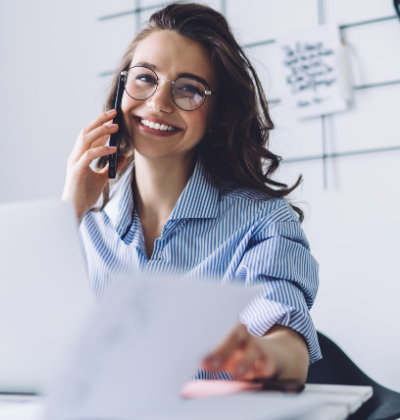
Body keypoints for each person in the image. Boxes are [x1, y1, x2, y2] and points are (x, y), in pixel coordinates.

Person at [62, 3, 319, 382]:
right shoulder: (83, 228)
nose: (159, 103)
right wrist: (69, 212)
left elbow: (289, 343)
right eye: (145, 78)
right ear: (121, 87)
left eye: (188, 89)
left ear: (217, 115)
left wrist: (259, 354)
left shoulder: (262, 222)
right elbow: (21, 338)